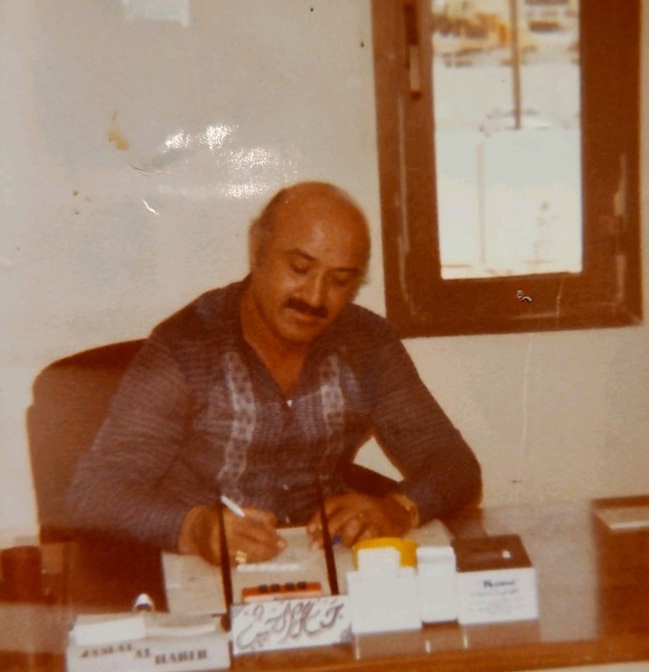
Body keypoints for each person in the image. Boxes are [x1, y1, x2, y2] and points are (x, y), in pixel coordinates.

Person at [68, 181, 481, 567]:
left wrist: (399, 508)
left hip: (324, 559)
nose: (315, 297)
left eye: (340, 281)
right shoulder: (186, 347)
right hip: (207, 568)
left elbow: (454, 464)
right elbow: (94, 494)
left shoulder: (367, 344)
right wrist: (193, 529)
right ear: (257, 249)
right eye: (299, 268)